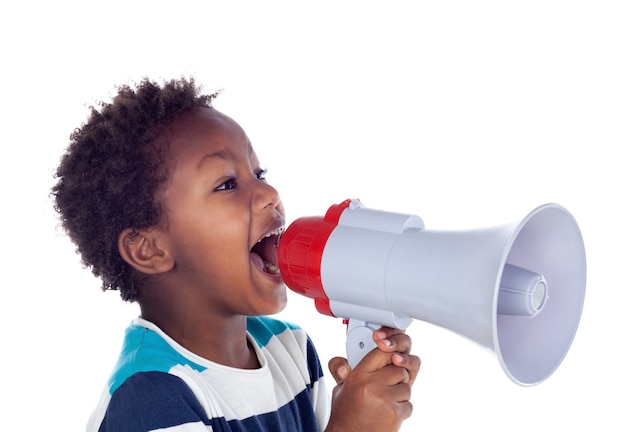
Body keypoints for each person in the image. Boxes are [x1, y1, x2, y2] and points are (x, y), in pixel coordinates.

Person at [52, 77, 421, 432]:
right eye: (227, 184)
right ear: (149, 248)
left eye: (259, 173)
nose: (269, 192)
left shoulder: (288, 348)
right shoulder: (150, 398)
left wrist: (362, 403)